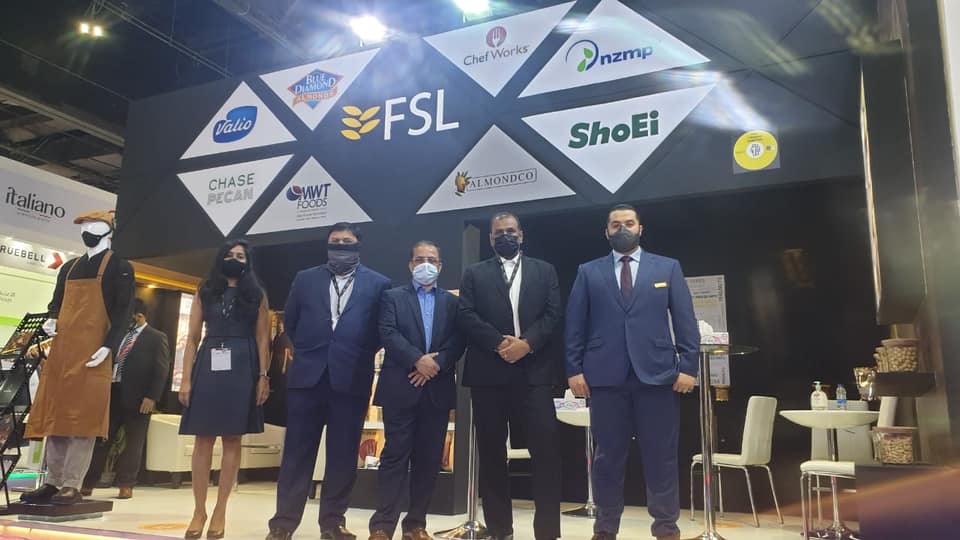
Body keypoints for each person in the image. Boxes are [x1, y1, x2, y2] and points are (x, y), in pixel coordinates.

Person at [565, 204, 699, 540]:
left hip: (658, 376)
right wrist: (574, 369)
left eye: (628, 223)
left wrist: (688, 366)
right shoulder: (588, 271)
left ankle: (666, 527)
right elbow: (574, 325)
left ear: (641, 229)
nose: (622, 229)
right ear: (606, 232)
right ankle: (605, 528)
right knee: (607, 457)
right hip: (605, 377)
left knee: (661, 456)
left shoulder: (667, 267)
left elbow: (685, 319)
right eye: (615, 225)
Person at [266, 223, 391, 540]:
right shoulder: (305, 278)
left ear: (358, 245)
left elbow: (381, 331)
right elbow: (291, 322)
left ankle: (332, 523)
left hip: (351, 378)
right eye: (335, 241)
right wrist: (312, 350)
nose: (341, 246)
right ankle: (283, 524)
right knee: (296, 454)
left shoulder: (379, 284)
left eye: (347, 241)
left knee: (343, 455)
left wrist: (355, 352)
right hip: (308, 378)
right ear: (327, 245)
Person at [458, 212, 563, 540]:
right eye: (499, 232)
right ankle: (500, 530)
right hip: (488, 373)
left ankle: (547, 532)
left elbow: (553, 314)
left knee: (545, 453)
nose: (505, 236)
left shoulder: (544, 270)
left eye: (511, 231)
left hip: (534, 372)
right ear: (491, 239)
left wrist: (527, 344)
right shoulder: (474, 273)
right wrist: (499, 343)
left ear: (521, 235)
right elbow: (465, 314)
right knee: (492, 455)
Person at [22, 210, 134, 506]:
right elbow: (56, 303)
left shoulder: (119, 268)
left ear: (108, 230)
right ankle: (52, 481)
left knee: (83, 420)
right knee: (56, 417)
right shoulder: (69, 267)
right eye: (83, 226)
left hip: (93, 354)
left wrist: (108, 346)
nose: (86, 230)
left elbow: (123, 312)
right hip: (62, 353)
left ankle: (72, 483)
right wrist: (51, 319)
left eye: (93, 225)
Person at [368, 241, 465, 540]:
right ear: (410, 265)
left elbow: (458, 340)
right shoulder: (392, 297)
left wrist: (435, 364)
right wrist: (417, 360)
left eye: (432, 260)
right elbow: (388, 333)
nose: (426, 264)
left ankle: (415, 525)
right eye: (420, 259)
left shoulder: (452, 303)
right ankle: (382, 526)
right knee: (394, 456)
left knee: (428, 459)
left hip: (436, 389)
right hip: (401, 387)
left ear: (440, 266)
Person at [178, 239, 271, 539]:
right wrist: (186, 379)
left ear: (248, 262)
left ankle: (220, 510)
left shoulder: (257, 294)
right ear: (220, 258)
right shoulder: (205, 290)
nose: (235, 259)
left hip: (244, 365)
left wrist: (263, 376)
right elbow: (192, 338)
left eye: (240, 256)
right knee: (202, 438)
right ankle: (198, 510)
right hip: (208, 362)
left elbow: (263, 339)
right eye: (230, 255)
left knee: (232, 438)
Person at [82, 298, 171, 499]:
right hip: (112, 392)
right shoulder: (118, 334)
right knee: (102, 440)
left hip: (139, 399)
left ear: (139, 316)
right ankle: (88, 482)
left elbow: (161, 370)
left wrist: (152, 396)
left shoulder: (156, 337)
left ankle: (126, 484)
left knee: (134, 443)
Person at [264, 315, 292, 427]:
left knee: (281, 383)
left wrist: (284, 365)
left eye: (281, 323)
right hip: (276, 360)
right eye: (279, 324)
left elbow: (286, 352)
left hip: (281, 361)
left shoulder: (285, 336)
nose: (280, 325)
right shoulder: (278, 336)